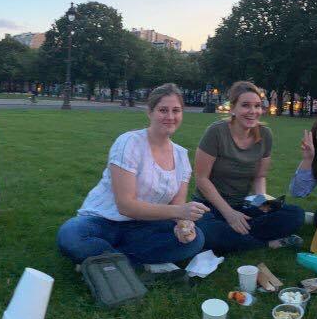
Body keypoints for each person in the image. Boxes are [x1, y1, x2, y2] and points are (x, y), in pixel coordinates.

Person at [55, 83, 206, 271]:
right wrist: (180, 212)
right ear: (150, 112)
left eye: (176, 111)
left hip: (144, 228)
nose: (170, 117)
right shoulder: (129, 143)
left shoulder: (182, 157)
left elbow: (177, 209)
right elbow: (125, 206)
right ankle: (135, 264)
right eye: (163, 110)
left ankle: (105, 262)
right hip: (104, 222)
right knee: (71, 236)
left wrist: (184, 227)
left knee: (196, 239)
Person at [192, 81, 306, 254]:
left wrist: (262, 202)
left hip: (243, 206)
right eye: (245, 105)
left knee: (295, 214)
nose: (253, 111)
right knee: (207, 231)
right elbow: (201, 179)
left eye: (257, 106)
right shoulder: (216, 132)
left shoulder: (265, 135)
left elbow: (260, 176)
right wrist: (229, 214)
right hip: (210, 206)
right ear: (233, 109)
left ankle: (238, 238)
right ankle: (265, 243)